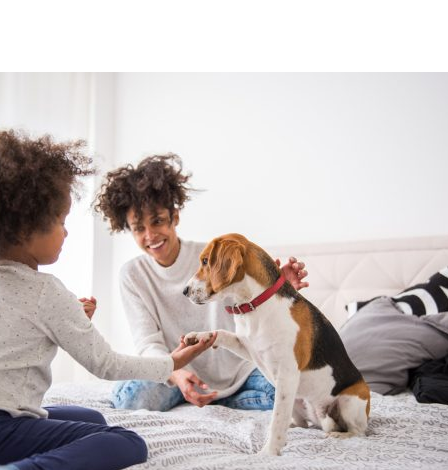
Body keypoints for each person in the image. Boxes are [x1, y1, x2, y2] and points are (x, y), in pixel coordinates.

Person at [0, 131, 215, 470]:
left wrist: (70, 319)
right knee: (126, 442)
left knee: (90, 417)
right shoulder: (46, 291)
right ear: (24, 228)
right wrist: (172, 363)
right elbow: (107, 365)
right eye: (60, 221)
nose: (66, 232)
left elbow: (17, 337)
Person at [94, 153, 308, 412]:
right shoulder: (132, 275)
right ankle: (213, 399)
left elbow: (250, 307)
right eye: (139, 228)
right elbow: (148, 344)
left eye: (158, 221)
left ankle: (220, 399)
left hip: (238, 371)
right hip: (175, 371)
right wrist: (176, 374)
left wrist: (277, 290)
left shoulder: (213, 255)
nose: (150, 235)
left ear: (175, 217)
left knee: (293, 394)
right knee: (132, 400)